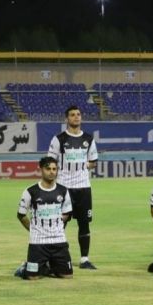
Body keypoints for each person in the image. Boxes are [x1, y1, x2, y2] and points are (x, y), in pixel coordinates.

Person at [47, 105, 98, 270]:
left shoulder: (89, 139)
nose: (76, 117)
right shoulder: (59, 139)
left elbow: (93, 162)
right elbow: (50, 162)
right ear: (66, 119)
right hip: (64, 187)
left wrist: (83, 165)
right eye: (72, 115)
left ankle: (84, 259)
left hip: (83, 187)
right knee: (60, 223)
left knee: (84, 223)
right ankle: (52, 257)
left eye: (78, 114)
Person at [15, 156, 74, 280]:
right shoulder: (31, 191)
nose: (52, 172)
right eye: (48, 169)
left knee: (67, 276)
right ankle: (24, 268)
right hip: (38, 241)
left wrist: (57, 227)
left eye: (54, 169)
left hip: (59, 240)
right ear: (41, 170)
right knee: (33, 278)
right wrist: (33, 229)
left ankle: (48, 266)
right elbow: (21, 214)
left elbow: (66, 214)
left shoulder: (63, 191)